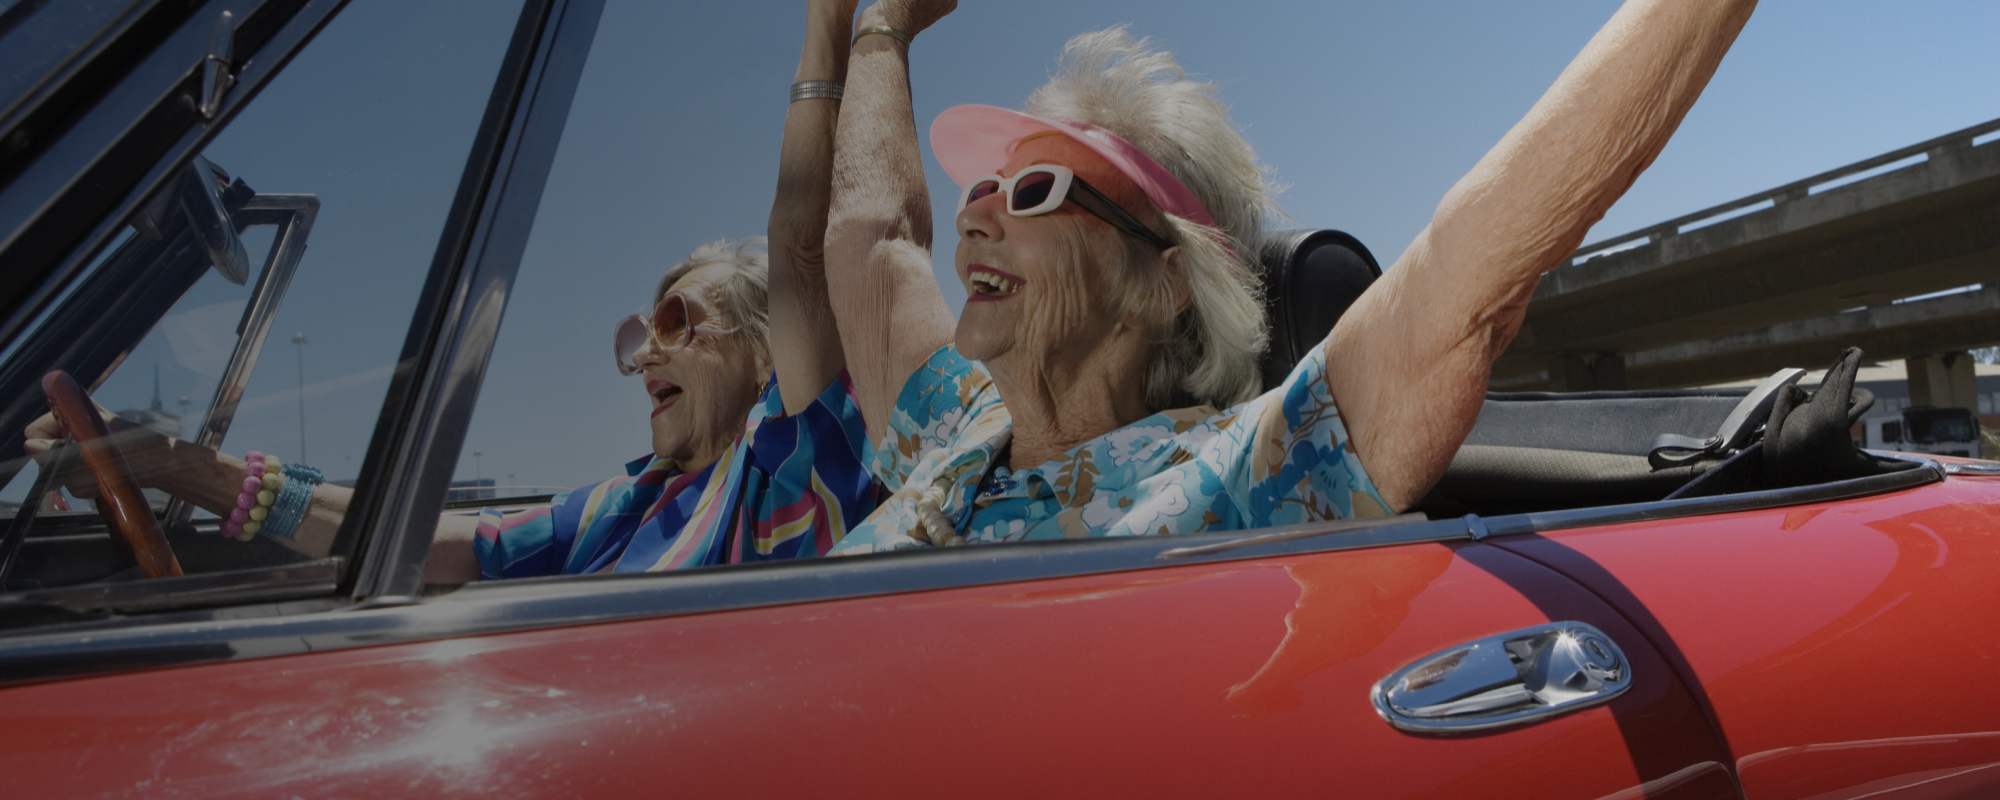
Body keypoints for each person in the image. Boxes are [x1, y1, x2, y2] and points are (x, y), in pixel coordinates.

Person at [816, 0, 1756, 552]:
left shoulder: (1240, 476)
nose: (977, 211)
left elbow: (1469, 272)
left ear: (1162, 283)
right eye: (983, 186)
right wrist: (879, 26)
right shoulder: (955, 421)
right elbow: (874, 237)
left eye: (1036, 191)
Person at [23, 0, 878, 581]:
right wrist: (184, 470)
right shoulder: (631, 503)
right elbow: (452, 545)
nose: (643, 354)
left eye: (677, 321)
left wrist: (829, 30)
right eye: (639, 331)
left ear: (767, 354)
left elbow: (800, 249)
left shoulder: (795, 469)